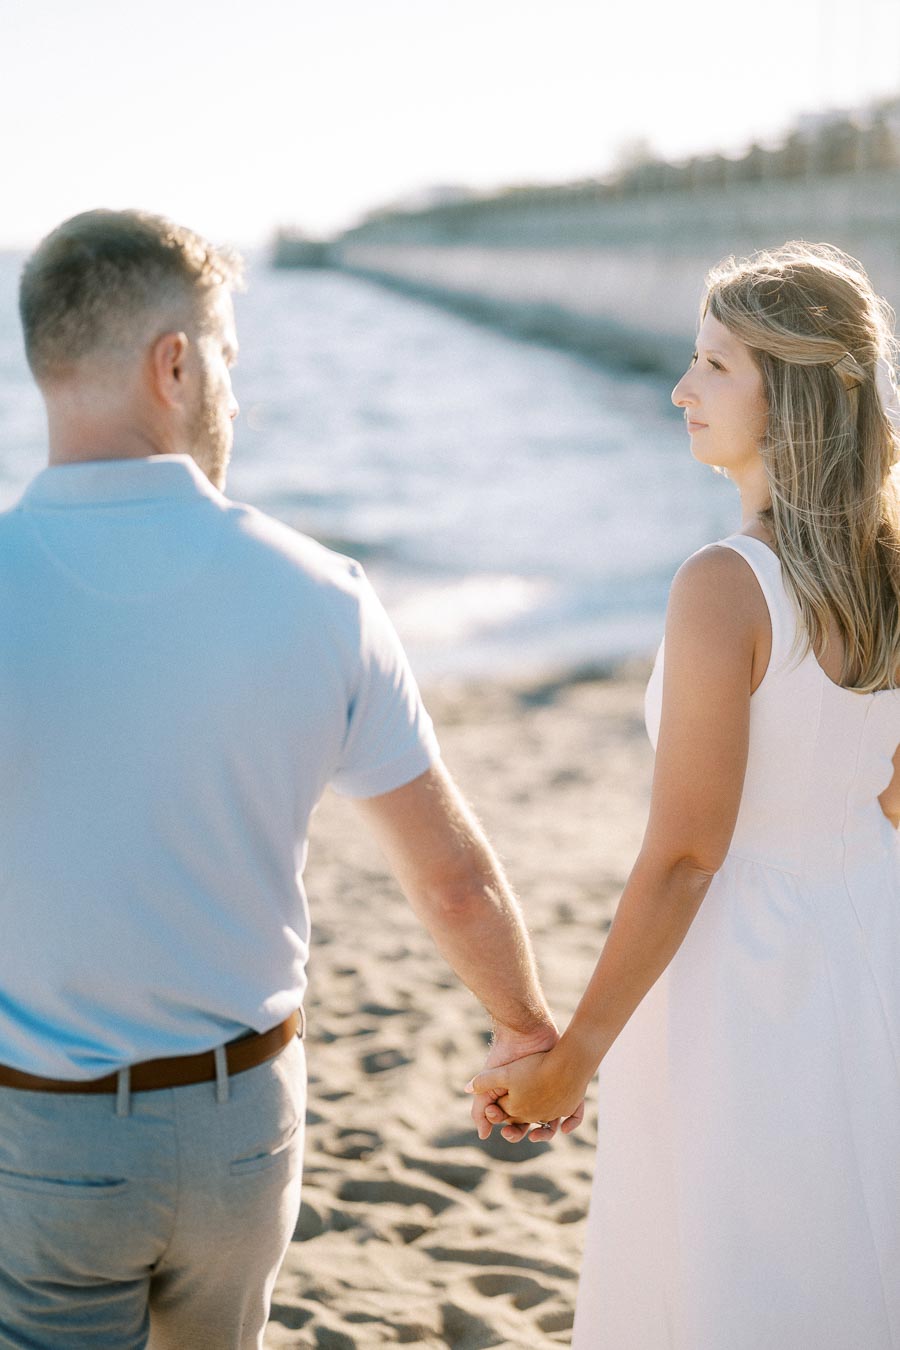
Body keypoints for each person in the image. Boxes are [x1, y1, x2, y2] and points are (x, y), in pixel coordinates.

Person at [0, 207, 583, 1350]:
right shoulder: (320, 593)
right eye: (226, 357)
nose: (233, 392)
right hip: (243, 1125)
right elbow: (454, 879)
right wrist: (526, 1031)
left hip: (47, 1135)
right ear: (175, 363)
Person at [468, 241, 900, 1348]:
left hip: (746, 981)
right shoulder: (890, 570)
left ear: (789, 393)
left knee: (735, 1275)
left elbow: (687, 856)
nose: (682, 389)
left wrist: (575, 1056)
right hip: (872, 946)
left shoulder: (726, 587)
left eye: (714, 364)